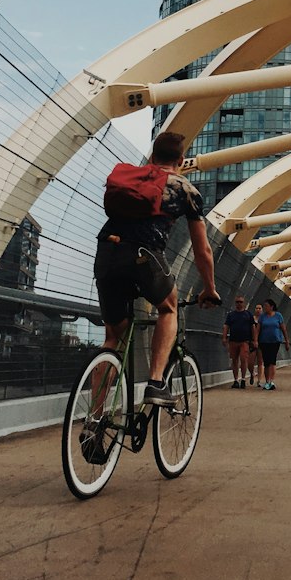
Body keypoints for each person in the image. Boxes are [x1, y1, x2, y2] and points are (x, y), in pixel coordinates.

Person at [94, 131, 219, 407]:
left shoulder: (132, 178)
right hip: (145, 254)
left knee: (112, 338)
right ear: (182, 160)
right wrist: (209, 288)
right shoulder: (186, 190)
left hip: (107, 251)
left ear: (152, 156)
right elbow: (203, 251)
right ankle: (155, 382)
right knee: (168, 306)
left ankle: (95, 418)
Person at [223, 293, 257, 388]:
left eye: (240, 302)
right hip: (233, 340)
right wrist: (224, 337)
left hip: (245, 341)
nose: (239, 304)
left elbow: (253, 327)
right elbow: (226, 326)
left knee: (243, 359)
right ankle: (235, 380)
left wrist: (255, 340)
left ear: (244, 303)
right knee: (234, 360)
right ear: (235, 303)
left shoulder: (248, 315)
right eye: (237, 302)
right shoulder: (231, 315)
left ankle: (242, 379)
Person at [256, 298, 290, 390]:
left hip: (275, 341)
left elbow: (283, 329)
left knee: (272, 360)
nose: (265, 308)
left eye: (266, 306)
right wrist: (255, 340)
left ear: (271, 307)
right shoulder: (262, 317)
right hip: (264, 341)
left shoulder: (278, 316)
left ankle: (271, 381)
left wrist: (287, 341)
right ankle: (267, 381)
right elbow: (258, 329)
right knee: (266, 362)